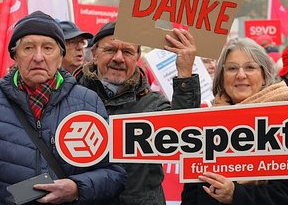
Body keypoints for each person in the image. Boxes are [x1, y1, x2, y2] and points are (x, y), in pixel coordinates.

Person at [0, 11, 127, 204]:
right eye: (28, 48)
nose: (38, 57)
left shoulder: (88, 102)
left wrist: (77, 188)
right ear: (15, 56)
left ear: (60, 57)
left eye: (48, 48)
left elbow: (115, 173)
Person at [77, 20, 200, 205]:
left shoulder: (153, 104)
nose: (119, 58)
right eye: (110, 50)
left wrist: (185, 73)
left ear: (137, 57)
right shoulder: (71, 98)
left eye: (127, 52)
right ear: (94, 54)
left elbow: (186, 136)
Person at [181, 38, 288, 204]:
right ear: (221, 77)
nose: (241, 75)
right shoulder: (208, 122)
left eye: (250, 67)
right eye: (232, 68)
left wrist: (236, 194)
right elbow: (193, 191)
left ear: (264, 75)